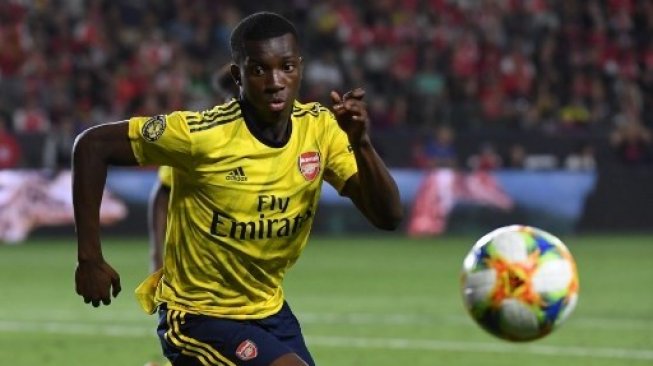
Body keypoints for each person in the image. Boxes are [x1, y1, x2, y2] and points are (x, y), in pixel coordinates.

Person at [72, 11, 403, 366]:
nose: (276, 81)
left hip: (269, 309)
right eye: (259, 69)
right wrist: (90, 259)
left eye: (287, 67)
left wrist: (362, 144)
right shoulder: (201, 136)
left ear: (300, 68)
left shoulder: (321, 130)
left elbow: (388, 216)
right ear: (237, 75)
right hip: (197, 314)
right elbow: (92, 146)